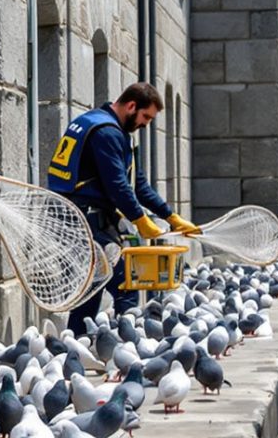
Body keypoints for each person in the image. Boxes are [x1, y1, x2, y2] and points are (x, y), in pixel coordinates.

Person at [47, 81, 197, 326]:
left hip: (85, 219)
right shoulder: (107, 133)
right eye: (145, 117)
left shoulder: (102, 124)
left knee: (92, 289)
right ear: (131, 105)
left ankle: (77, 344)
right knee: (126, 282)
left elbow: (137, 184)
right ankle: (126, 345)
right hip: (83, 220)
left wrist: (170, 216)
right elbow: (117, 185)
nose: (146, 124)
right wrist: (140, 220)